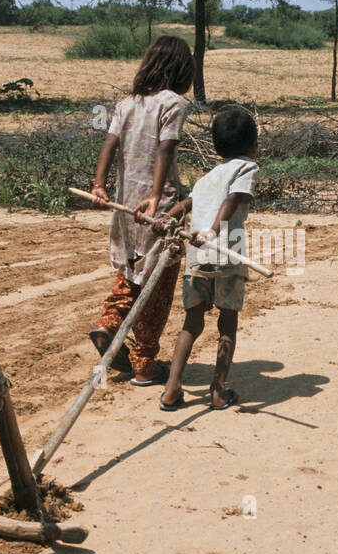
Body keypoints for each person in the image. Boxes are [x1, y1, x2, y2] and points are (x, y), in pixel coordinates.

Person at [88, 35, 194, 387]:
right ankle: (144, 362)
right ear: (182, 68)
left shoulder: (127, 103)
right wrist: (154, 197)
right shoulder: (174, 103)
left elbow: (109, 143)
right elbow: (166, 149)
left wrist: (99, 185)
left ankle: (109, 322)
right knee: (158, 282)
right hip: (157, 207)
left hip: (123, 204)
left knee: (132, 269)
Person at [158, 107, 259, 411]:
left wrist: (167, 216)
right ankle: (217, 392)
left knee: (192, 322)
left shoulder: (206, 177)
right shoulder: (247, 168)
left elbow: (188, 202)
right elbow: (233, 199)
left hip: (197, 255)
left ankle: (172, 390)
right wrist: (215, 230)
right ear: (253, 144)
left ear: (216, 146)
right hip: (227, 252)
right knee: (227, 324)